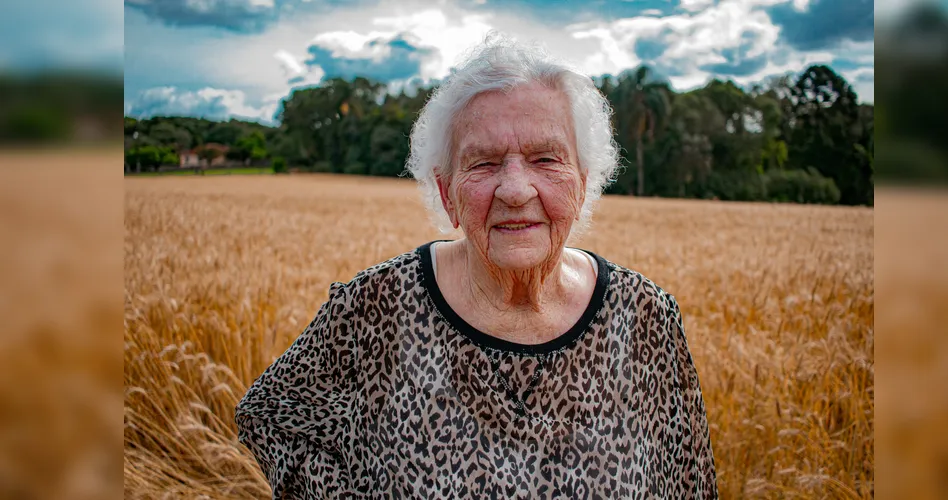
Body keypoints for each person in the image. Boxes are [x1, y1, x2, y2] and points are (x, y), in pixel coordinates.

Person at [235, 34, 717, 499]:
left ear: (582, 183)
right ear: (447, 195)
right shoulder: (377, 307)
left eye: (546, 158)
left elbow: (687, 479)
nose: (515, 190)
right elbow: (272, 413)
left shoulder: (644, 317)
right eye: (484, 163)